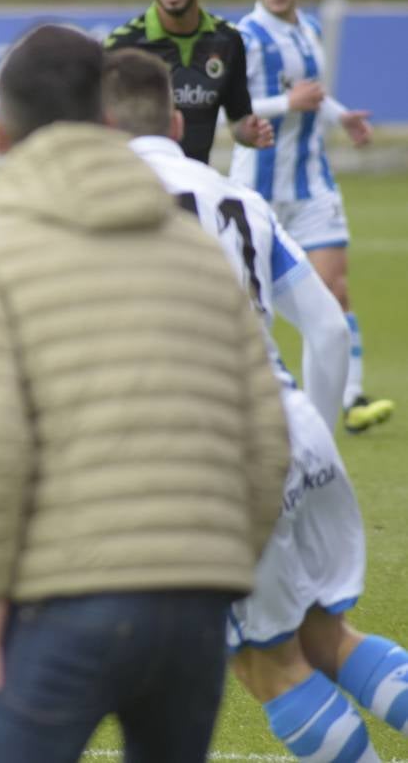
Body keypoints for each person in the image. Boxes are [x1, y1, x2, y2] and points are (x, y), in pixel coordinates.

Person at [0, 24, 289, 762]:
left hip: (71, 597)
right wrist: (213, 563)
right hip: (199, 601)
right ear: (109, 118)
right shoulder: (193, 245)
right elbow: (267, 434)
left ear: (0, 133)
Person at [105, 46, 408, 763]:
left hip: (216, 454)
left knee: (266, 666)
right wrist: (318, 441)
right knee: (324, 637)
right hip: (296, 428)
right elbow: (330, 329)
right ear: (178, 121)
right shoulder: (240, 197)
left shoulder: (105, 206)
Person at [229, 0, 393, 434]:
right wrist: (287, 105)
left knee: (334, 291)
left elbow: (313, 94)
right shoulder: (245, 37)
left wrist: (344, 117)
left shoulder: (311, 29)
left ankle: (351, 398)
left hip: (312, 183)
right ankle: (263, 401)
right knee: (250, 303)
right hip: (258, 188)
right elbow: (232, 106)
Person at [105, 0, 273, 165]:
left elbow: (237, 119)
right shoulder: (122, 46)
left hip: (195, 187)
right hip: (141, 185)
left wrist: (249, 132)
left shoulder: (228, 41)